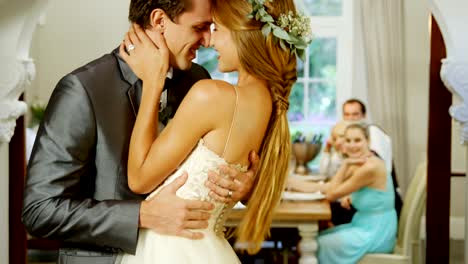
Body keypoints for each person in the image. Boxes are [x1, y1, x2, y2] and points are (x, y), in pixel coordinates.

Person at [21, 1, 258, 263]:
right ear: (159, 21)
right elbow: (38, 210)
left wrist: (244, 188)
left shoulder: (199, 81)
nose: (206, 40)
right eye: (199, 27)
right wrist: (142, 215)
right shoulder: (83, 90)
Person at [115, 0, 311, 262]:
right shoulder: (267, 103)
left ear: (242, 34)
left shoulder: (212, 95)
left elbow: (139, 179)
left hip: (171, 250)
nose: (208, 40)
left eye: (216, 29)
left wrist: (153, 82)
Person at [288, 123, 397, 263]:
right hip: (363, 225)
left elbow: (331, 194)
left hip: (376, 232)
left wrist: (345, 164)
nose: (352, 145)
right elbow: (329, 187)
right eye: (348, 140)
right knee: (313, 239)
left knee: (312, 245)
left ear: (368, 142)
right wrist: (290, 182)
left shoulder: (369, 168)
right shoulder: (359, 163)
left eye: (357, 140)